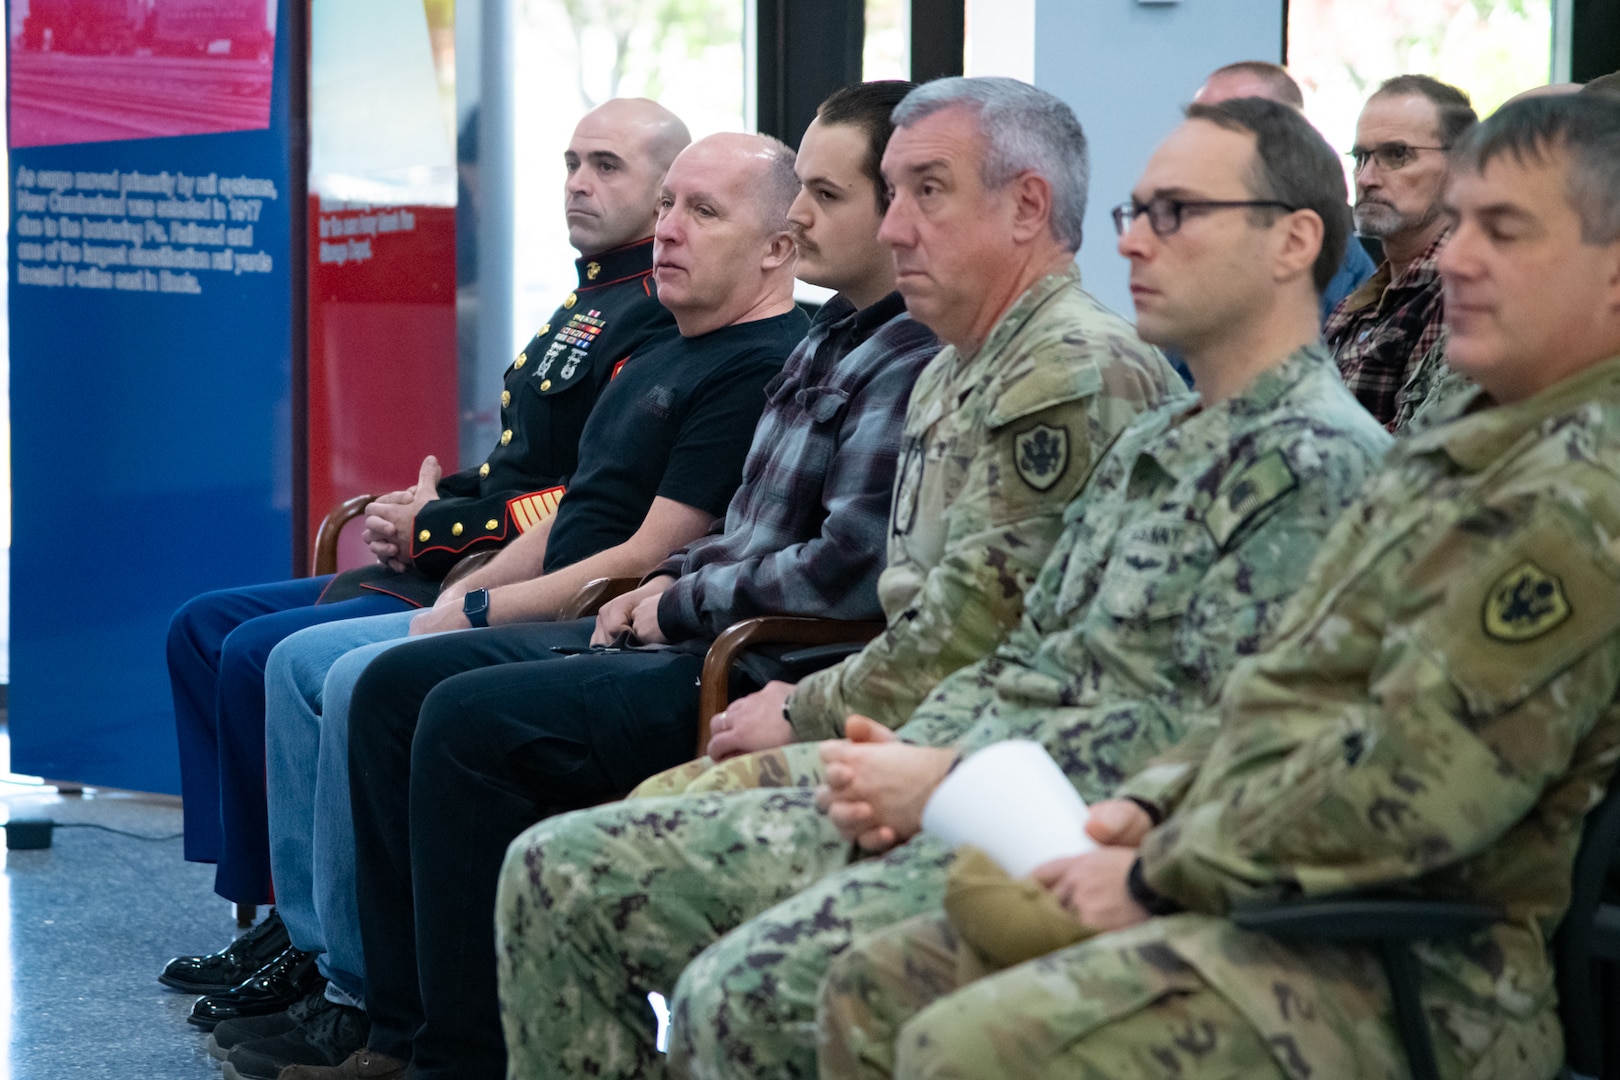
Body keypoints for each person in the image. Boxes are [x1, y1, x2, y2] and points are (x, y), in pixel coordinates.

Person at [490, 90, 1390, 1080]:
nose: (1133, 244)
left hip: (1070, 822)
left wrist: (938, 773)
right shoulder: (1167, 439)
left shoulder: (1310, 460)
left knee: (733, 993)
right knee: (557, 868)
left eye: (1175, 214)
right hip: (978, 767)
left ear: (1293, 240)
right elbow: (1029, 649)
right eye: (1138, 214)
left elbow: (1203, 731)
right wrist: (915, 758)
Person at [819, 92, 1620, 1080]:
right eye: (1459, 225)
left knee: (962, 1044)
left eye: (1504, 230)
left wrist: (1155, 873)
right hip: (1255, 888)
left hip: (1404, 968)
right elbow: (1275, 693)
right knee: (879, 980)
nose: (1453, 258)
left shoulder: (1575, 496)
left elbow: (1403, 789)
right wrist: (1149, 811)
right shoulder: (1465, 453)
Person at [217, 82, 941, 1080]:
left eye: (833, 193)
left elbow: (828, 566)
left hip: (742, 655)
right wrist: (464, 572)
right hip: (678, 619)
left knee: (425, 702)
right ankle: (374, 1007)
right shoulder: (812, 338)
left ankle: (430, 1042)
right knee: (304, 655)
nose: (665, 228)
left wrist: (644, 595)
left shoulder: (848, 354)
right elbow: (572, 504)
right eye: (578, 165)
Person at [159, 98, 688, 967]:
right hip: (469, 546)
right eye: (569, 163)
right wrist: (428, 503)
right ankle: (268, 903)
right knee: (202, 626)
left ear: (666, 190)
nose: (577, 185)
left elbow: (589, 501)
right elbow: (525, 459)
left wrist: (439, 529)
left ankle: (308, 934)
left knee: (260, 652)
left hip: (506, 569)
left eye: (606, 167)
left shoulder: (657, 310)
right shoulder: (591, 294)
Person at [635, 80, 1182, 799]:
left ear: (1026, 207)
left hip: (1012, 755)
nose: (893, 230)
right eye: (891, 194)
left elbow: (973, 634)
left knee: (595, 848)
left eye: (926, 192)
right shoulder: (955, 361)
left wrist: (807, 706)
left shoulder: (1068, 366)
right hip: (925, 716)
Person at [1325, 74, 1475, 427]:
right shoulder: (1361, 302)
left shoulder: (1462, 290)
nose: (1366, 178)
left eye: (1396, 155)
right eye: (1360, 157)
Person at [1192, 60, 1376, 322]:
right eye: (1195, 123)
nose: (1196, 140)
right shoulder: (1202, 232)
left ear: (1288, 138)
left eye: (1225, 124)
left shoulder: (1319, 255)